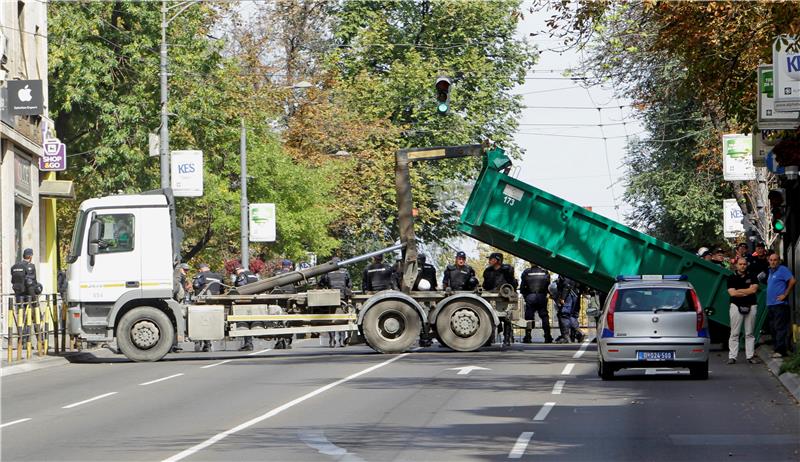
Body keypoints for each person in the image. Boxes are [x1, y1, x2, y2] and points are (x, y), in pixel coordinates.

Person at [727, 257, 760, 364]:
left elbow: (754, 290)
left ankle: (750, 357)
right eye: (740, 264)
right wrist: (747, 291)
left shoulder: (753, 276)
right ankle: (732, 357)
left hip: (752, 305)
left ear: (747, 265)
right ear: (736, 265)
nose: (742, 266)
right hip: (736, 306)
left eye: (744, 264)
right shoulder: (731, 277)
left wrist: (739, 291)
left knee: (749, 333)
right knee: (734, 333)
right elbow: (732, 293)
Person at [482, 252, 518, 349]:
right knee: (489, 318)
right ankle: (488, 339)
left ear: (498, 260)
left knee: (506, 318)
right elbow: (485, 285)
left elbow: (512, 281)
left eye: (491, 259)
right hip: (491, 297)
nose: (489, 261)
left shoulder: (507, 270)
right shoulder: (488, 271)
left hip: (504, 297)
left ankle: (507, 339)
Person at [766, 253, 796, 358]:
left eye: (775, 260)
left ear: (779, 261)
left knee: (780, 328)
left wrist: (785, 294)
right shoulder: (770, 271)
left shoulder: (782, 269)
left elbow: (792, 281)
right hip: (771, 305)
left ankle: (780, 351)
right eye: (771, 260)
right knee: (773, 328)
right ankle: (777, 349)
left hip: (780, 304)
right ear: (768, 261)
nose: (773, 262)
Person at [318, 257, 352, 347]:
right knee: (341, 319)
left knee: (330, 319)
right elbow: (349, 285)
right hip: (343, 298)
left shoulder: (327, 272)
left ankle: (332, 340)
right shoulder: (345, 272)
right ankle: (341, 340)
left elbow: (321, 283)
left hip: (331, 298)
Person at [11, 248, 42, 345]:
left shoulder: (14, 267)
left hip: (19, 298)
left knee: (22, 320)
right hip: (29, 297)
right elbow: (31, 283)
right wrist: (34, 298)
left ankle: (23, 343)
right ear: (30, 256)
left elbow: (13, 282)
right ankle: (40, 342)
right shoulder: (30, 266)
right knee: (36, 318)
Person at [192, 263, 223, 352]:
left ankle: (206, 344)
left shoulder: (201, 275)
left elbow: (196, 285)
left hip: (203, 303)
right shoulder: (218, 276)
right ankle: (209, 343)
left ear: (201, 269)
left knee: (203, 323)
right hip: (215, 302)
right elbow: (222, 289)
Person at [519, 263, 553, 344]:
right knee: (544, 316)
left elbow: (522, 288)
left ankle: (528, 336)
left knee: (529, 317)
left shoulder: (526, 272)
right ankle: (547, 336)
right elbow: (549, 286)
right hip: (542, 296)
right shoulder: (545, 272)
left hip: (530, 296)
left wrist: (526, 295)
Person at [235, 264, 260, 351]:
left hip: (245, 301)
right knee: (251, 321)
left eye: (236, 271)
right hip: (255, 301)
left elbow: (241, 285)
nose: (236, 273)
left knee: (244, 322)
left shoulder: (242, 275)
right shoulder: (253, 274)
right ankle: (248, 343)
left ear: (239, 269)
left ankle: (248, 343)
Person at [553, 276, 584, 344]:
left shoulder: (566, 269)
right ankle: (577, 334)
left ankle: (566, 337)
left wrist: (563, 297)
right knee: (572, 315)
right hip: (575, 293)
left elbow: (567, 283)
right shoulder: (577, 269)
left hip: (568, 295)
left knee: (564, 315)